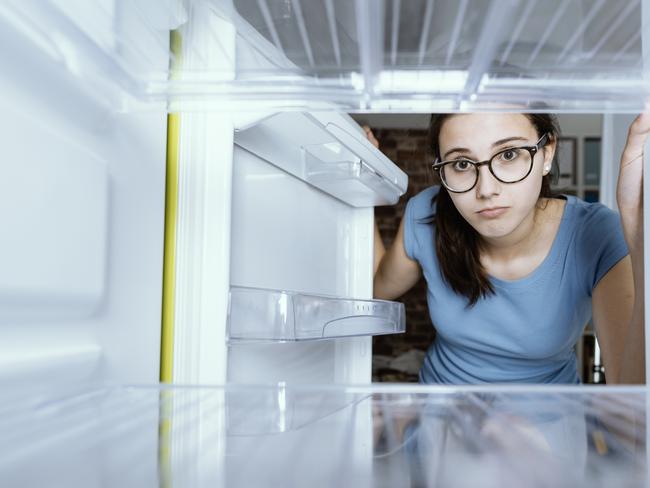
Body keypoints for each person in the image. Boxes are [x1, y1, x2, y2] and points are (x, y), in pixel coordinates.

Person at [369, 112, 646, 385]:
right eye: (462, 164)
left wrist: (639, 239)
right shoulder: (425, 214)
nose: (486, 190)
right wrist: (361, 186)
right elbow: (375, 289)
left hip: (547, 423)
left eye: (509, 154)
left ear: (546, 153)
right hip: (442, 418)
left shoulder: (597, 234)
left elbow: (632, 395)